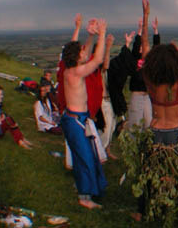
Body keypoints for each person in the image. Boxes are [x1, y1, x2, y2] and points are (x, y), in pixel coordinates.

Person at [131, 0, 178, 222]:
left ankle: (143, 211)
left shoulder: (150, 80)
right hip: (177, 132)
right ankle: (176, 209)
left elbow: (145, 47)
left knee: (149, 172)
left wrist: (146, 15)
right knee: (177, 173)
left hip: (156, 131)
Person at [60, 18, 108, 210]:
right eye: (81, 51)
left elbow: (86, 54)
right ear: (76, 57)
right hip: (75, 121)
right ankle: (84, 197)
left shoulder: (70, 70)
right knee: (85, 158)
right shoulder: (75, 72)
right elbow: (96, 60)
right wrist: (102, 34)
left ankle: (88, 188)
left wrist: (90, 35)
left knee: (87, 155)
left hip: (77, 120)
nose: (84, 53)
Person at [99, 34, 117, 159]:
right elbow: (105, 65)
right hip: (102, 101)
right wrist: (108, 46)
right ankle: (100, 152)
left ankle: (107, 150)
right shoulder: (98, 69)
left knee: (112, 126)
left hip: (108, 99)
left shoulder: (103, 72)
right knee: (106, 127)